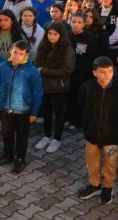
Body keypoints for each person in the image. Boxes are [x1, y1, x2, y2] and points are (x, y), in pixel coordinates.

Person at [77, 56, 118, 205]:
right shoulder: (87, 88)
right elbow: (81, 107)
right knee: (92, 161)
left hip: (111, 135)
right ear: (94, 72)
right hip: (92, 134)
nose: (106, 75)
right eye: (102, 72)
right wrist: (87, 126)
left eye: (109, 71)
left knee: (110, 162)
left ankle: (108, 186)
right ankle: (94, 185)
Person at [0, 40, 44, 174]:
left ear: (26, 55)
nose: (17, 56)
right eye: (15, 52)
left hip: (23, 110)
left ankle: (20, 158)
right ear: (11, 50)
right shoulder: (2, 67)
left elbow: (38, 92)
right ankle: (8, 154)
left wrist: (34, 112)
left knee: (22, 136)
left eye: (21, 53)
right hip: (5, 107)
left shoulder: (32, 71)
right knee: (6, 133)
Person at [34, 22, 76, 154]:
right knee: (46, 112)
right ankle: (47, 136)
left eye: (55, 34)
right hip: (44, 85)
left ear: (61, 35)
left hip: (59, 86)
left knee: (59, 113)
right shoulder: (43, 45)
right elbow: (37, 62)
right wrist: (40, 69)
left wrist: (44, 71)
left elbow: (66, 71)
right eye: (50, 33)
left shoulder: (67, 49)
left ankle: (57, 138)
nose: (51, 36)